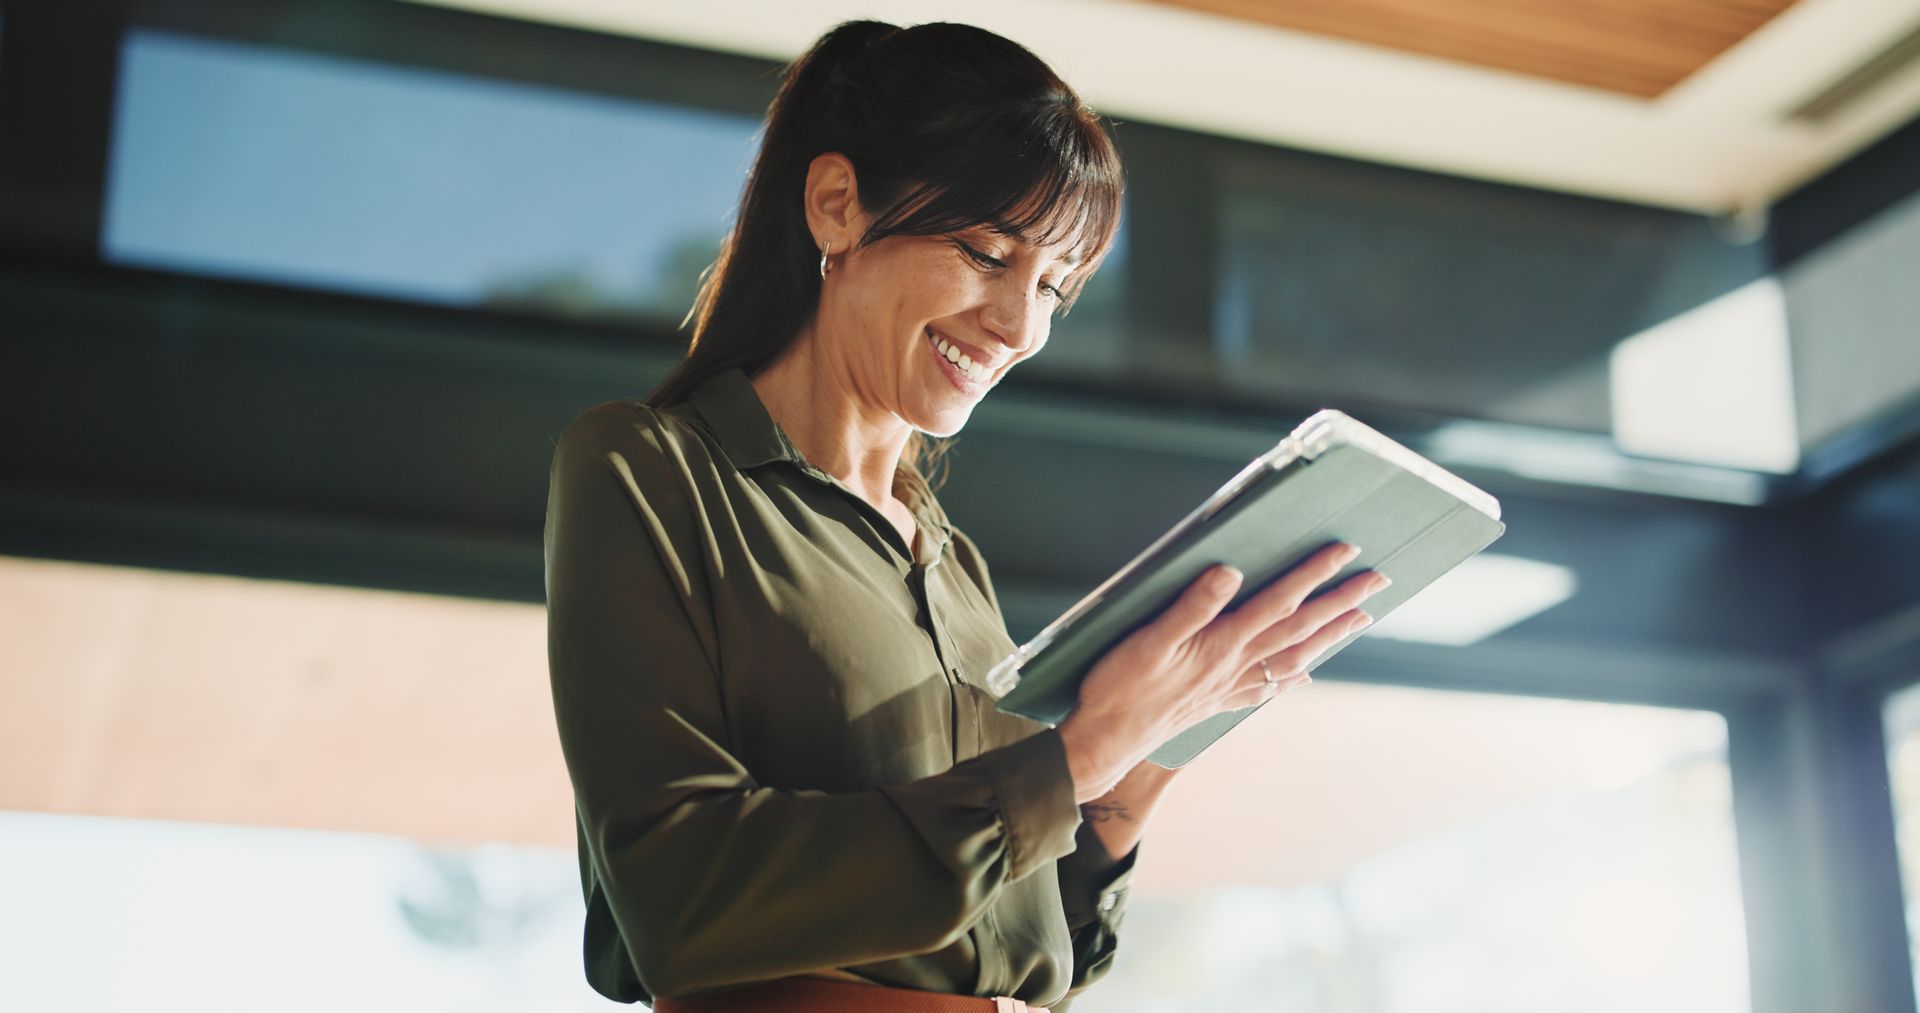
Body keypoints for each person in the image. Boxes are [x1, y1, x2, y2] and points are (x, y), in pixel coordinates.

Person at [542, 18, 1386, 1013]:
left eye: (1056, 289)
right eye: (989, 253)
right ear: (836, 206)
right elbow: (676, 896)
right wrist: (1079, 756)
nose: (1021, 327)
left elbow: (1022, 947)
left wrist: (1140, 758)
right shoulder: (653, 470)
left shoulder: (953, 567)